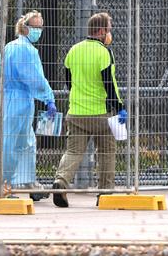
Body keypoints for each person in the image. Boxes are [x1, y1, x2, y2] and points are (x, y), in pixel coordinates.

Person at [52, 12, 128, 208]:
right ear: (102, 31)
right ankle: (105, 193)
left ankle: (61, 182)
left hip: (76, 112)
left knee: (73, 152)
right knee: (106, 153)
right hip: (101, 114)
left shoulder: (74, 50)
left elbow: (68, 81)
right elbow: (109, 84)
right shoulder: (104, 52)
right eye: (109, 29)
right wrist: (120, 107)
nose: (110, 33)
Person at [0, 10, 57, 200]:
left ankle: (27, 181)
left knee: (26, 142)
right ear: (26, 28)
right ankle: (5, 185)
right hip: (18, 102)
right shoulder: (25, 50)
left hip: (14, 100)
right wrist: (48, 97)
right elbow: (34, 78)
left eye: (41, 26)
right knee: (12, 144)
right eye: (36, 27)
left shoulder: (10, 47)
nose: (39, 30)